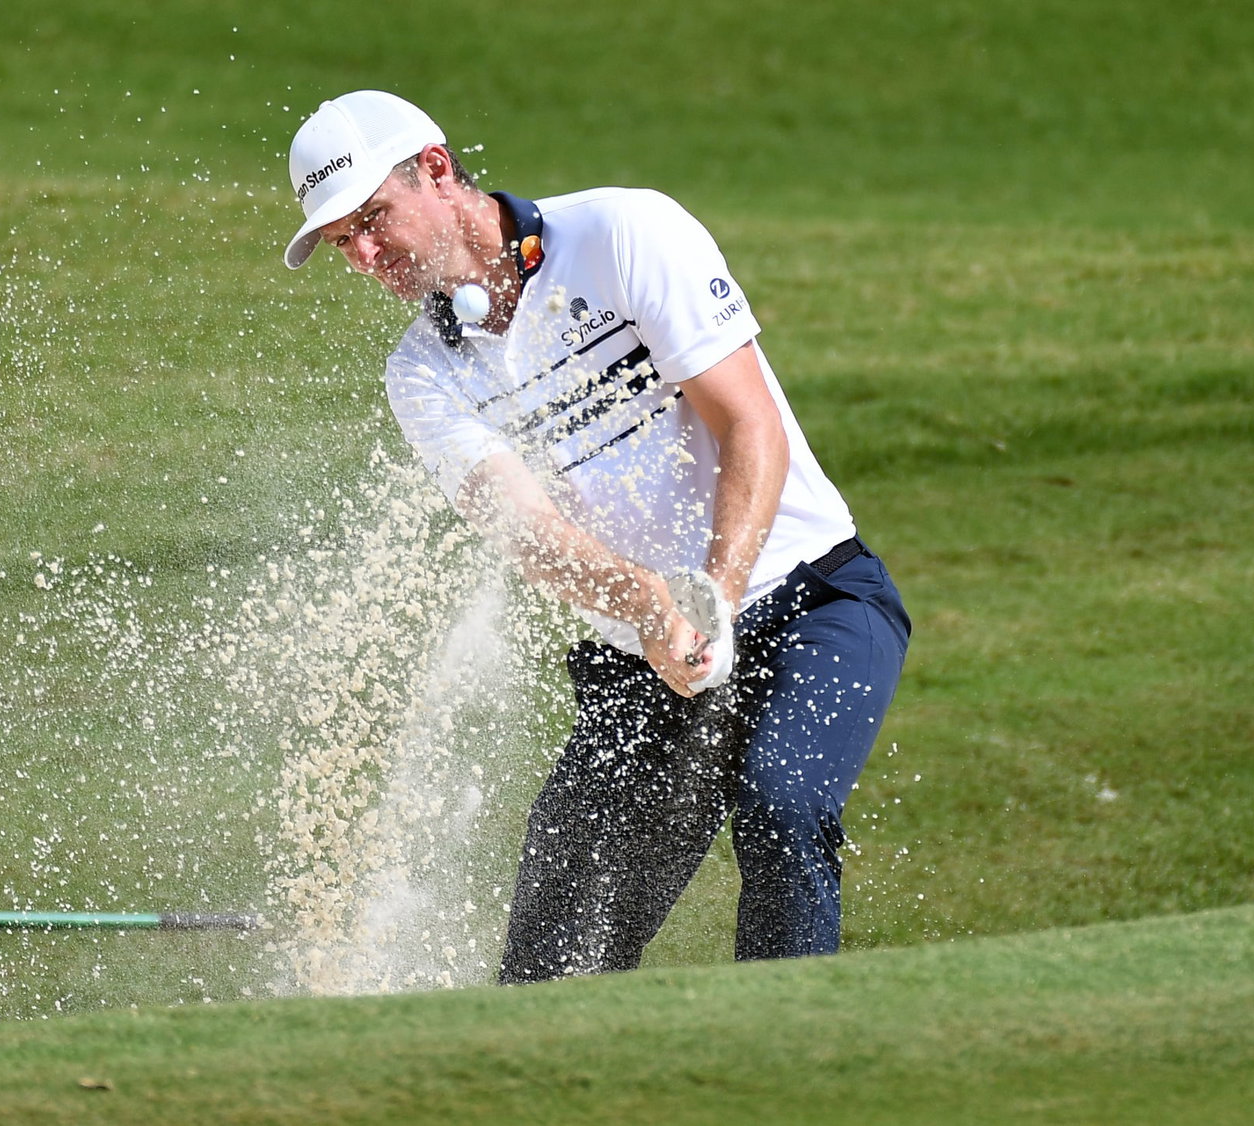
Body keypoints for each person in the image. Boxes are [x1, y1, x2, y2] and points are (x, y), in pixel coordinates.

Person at [282, 89, 911, 983]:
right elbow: (527, 533)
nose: (367, 256)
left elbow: (749, 428)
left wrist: (713, 598)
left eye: (374, 219)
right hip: (646, 656)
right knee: (553, 938)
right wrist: (653, 608)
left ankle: (782, 1061)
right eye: (347, 242)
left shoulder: (623, 234)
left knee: (783, 808)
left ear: (434, 169)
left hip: (815, 599)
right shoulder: (420, 373)